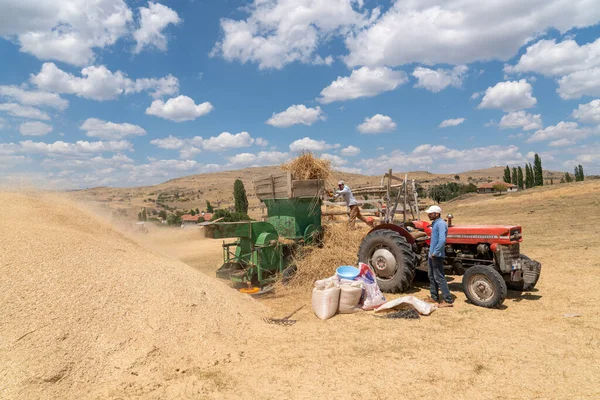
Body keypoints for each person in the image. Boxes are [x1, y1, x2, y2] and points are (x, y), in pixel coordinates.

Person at [425, 205, 453, 307]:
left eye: (430, 213)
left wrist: (435, 252)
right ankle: (434, 297)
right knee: (431, 276)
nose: (428, 215)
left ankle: (448, 300)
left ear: (437, 214)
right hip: (432, 254)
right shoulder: (435, 223)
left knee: (439, 277)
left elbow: (442, 240)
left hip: (436, 255)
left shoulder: (441, 224)